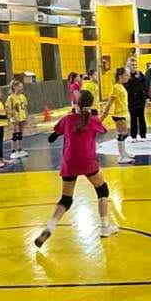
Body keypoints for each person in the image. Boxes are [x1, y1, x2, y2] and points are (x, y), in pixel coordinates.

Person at [35, 90, 117, 248]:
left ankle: (49, 227)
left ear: (76, 104)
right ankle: (105, 227)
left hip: (69, 162)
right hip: (87, 161)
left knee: (66, 199)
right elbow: (105, 130)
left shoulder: (67, 119)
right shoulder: (93, 120)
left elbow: (53, 136)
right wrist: (94, 116)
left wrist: (57, 134)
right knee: (102, 190)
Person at [103, 67, 133, 164]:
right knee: (122, 134)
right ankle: (121, 156)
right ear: (120, 76)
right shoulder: (116, 87)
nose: (128, 77)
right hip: (118, 114)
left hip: (123, 113)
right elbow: (110, 101)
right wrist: (105, 113)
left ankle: (124, 153)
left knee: (124, 134)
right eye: (126, 75)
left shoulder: (121, 86)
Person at [7, 79, 30, 159]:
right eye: (19, 86)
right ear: (14, 87)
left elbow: (25, 107)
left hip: (22, 117)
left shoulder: (23, 96)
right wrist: (13, 116)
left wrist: (26, 117)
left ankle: (20, 148)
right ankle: (13, 150)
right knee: (15, 133)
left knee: (20, 133)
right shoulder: (11, 97)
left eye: (21, 87)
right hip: (15, 118)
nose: (21, 88)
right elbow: (9, 108)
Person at [126, 65, 149, 139]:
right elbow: (126, 86)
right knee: (133, 118)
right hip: (131, 100)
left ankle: (143, 135)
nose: (134, 67)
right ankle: (134, 135)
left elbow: (145, 85)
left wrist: (147, 96)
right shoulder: (127, 76)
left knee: (142, 117)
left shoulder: (140, 74)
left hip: (140, 99)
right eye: (132, 65)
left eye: (135, 65)